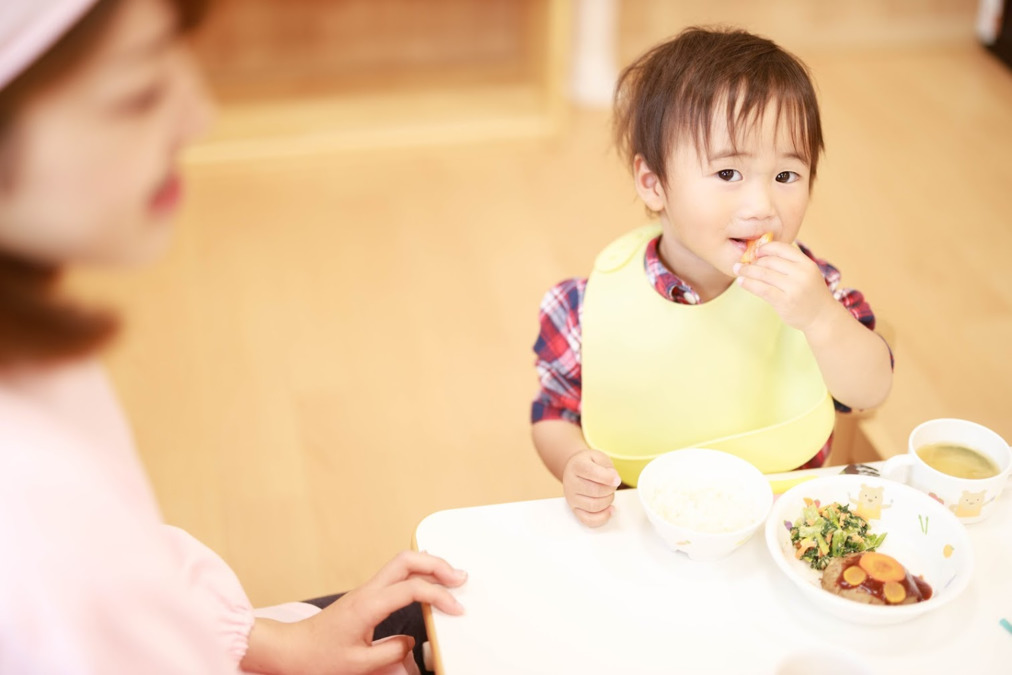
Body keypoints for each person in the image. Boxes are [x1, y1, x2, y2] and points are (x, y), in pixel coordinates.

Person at [0, 1, 465, 673]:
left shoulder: (31, 343)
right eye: (138, 94)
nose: (198, 116)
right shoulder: (36, 518)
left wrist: (278, 644)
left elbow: (138, 566)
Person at [530, 27, 894, 527]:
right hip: (645, 521)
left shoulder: (812, 290)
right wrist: (573, 463)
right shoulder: (586, 306)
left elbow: (869, 391)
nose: (762, 206)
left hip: (783, 518)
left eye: (786, 176)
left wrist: (822, 320)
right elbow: (554, 415)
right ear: (652, 183)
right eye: (728, 174)